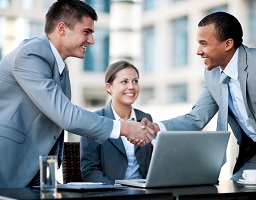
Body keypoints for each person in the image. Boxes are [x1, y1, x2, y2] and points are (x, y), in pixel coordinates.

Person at [0, 0, 152, 188]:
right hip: (8, 167)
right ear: (62, 28)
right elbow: (66, 115)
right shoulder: (30, 55)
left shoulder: (59, 66)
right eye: (86, 32)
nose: (91, 40)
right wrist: (126, 128)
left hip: (36, 172)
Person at [141, 11, 256, 188]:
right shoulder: (212, 75)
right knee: (230, 190)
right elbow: (196, 118)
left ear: (228, 44)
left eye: (204, 44)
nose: (198, 51)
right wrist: (157, 128)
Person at [80, 60, 153, 184]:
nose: (131, 86)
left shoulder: (145, 118)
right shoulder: (94, 121)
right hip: (111, 192)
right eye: (124, 81)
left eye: (135, 81)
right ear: (109, 87)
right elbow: (89, 171)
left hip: (144, 192)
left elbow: (152, 163)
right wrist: (115, 190)